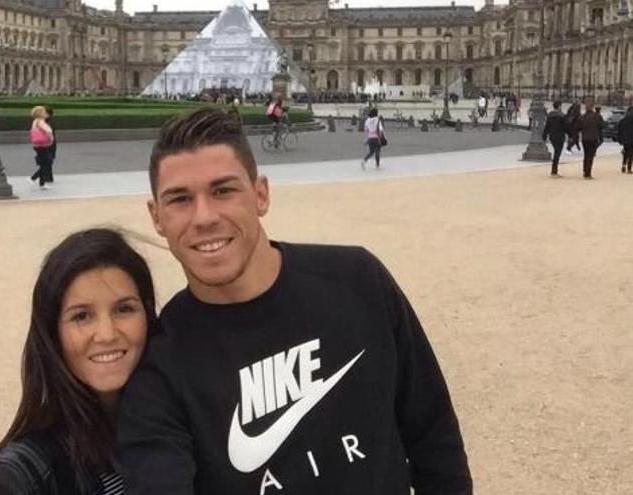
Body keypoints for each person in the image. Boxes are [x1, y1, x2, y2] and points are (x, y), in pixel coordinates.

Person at [115, 108, 472, 494]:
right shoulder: (159, 367)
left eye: (223, 190)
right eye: (180, 199)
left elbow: (433, 435)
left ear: (261, 194)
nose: (204, 217)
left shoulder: (359, 279)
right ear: (156, 217)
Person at [0, 228, 157, 495]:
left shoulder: (175, 421)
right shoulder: (24, 475)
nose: (107, 334)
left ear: (148, 315)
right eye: (82, 316)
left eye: (124, 309)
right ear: (52, 333)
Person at [575, 101, 605, 180]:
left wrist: (576, 138)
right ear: (592, 107)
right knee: (590, 156)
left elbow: (577, 128)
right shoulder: (597, 116)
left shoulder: (582, 117)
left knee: (586, 155)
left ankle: (585, 171)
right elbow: (602, 127)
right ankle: (588, 173)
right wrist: (601, 138)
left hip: (585, 138)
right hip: (593, 138)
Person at [29, 105, 56, 190]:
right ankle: (33, 178)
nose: (46, 113)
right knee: (47, 163)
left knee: (44, 163)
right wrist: (51, 138)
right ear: (40, 113)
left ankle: (42, 183)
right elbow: (48, 131)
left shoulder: (35, 121)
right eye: (44, 112)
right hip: (42, 145)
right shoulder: (40, 122)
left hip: (37, 144)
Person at [542, 101, 568, 178]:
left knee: (556, 152)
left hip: (552, 136)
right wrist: (570, 134)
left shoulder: (550, 115)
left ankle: (554, 170)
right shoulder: (562, 115)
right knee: (557, 153)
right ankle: (554, 171)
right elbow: (565, 126)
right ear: (559, 106)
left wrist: (544, 136)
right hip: (560, 136)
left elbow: (547, 126)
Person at [617, 106, 633, 174]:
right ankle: (629, 168)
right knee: (631, 154)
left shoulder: (623, 119)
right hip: (632, 138)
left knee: (626, 152)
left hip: (625, 139)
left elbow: (619, 130)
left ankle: (624, 165)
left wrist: (620, 139)